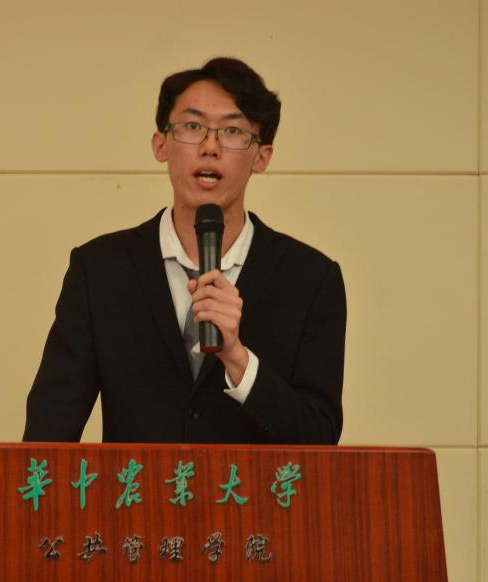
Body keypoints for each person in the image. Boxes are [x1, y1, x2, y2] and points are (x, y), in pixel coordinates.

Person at [23, 57, 346, 444]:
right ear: (160, 145)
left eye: (232, 131)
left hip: (248, 487)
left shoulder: (310, 279)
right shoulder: (100, 270)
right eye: (192, 127)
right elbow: (48, 433)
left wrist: (238, 359)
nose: (210, 147)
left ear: (261, 157)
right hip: (135, 486)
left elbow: (320, 438)